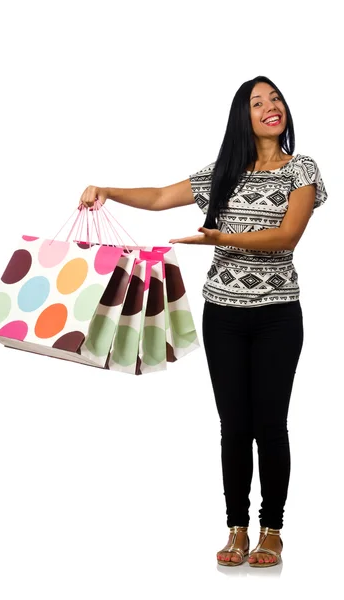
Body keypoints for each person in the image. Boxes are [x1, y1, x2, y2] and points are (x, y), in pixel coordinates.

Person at [78, 75, 328, 568]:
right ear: (244, 116)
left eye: (275, 99)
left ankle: (271, 530)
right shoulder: (223, 172)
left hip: (278, 316)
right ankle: (237, 529)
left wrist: (219, 242)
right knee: (234, 425)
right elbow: (156, 196)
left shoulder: (303, 169)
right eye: (258, 102)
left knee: (270, 426)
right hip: (224, 316)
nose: (270, 107)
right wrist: (105, 189)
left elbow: (287, 237)